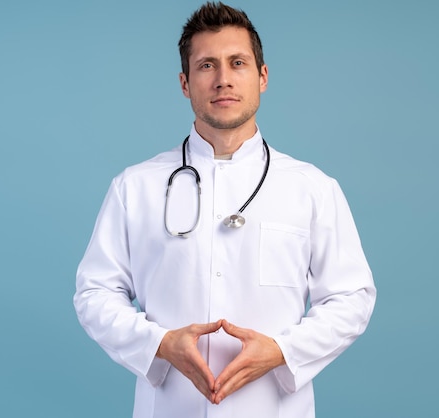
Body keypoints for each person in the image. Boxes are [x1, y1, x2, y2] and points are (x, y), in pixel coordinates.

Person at [74, 2, 376, 417]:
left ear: (262, 77)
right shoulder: (135, 187)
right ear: (184, 83)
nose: (223, 80)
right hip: (169, 407)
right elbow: (95, 292)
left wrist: (284, 351)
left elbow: (351, 297)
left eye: (238, 63)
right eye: (206, 66)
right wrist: (158, 345)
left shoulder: (312, 189)